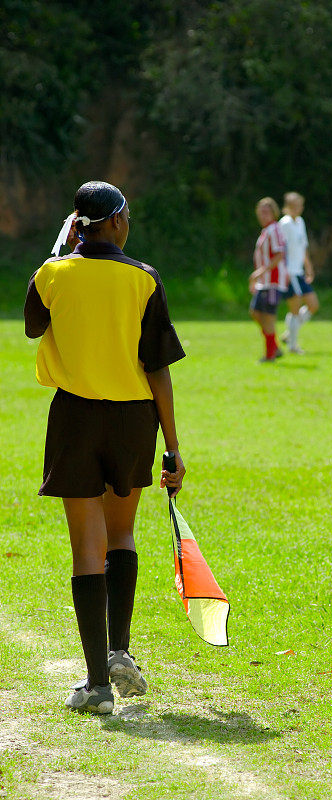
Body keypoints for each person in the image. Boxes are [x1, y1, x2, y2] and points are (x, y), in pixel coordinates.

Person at [24, 181, 186, 714]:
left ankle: (95, 685)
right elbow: (156, 368)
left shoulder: (51, 275)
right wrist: (174, 447)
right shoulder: (144, 279)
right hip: (134, 421)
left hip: (75, 418)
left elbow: (33, 324)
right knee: (122, 533)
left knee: (85, 549)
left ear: (77, 226)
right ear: (115, 223)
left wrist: (59, 252)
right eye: (128, 216)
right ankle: (120, 650)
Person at [279, 192, 319, 354]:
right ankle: (293, 346)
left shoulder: (300, 222)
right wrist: (284, 271)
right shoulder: (284, 224)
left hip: (299, 271)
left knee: (313, 305)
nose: (298, 209)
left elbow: (303, 248)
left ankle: (290, 333)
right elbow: (280, 250)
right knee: (295, 308)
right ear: (287, 207)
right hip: (289, 272)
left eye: (299, 205)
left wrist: (308, 267)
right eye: (294, 206)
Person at [249, 197, 288, 362]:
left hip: (272, 281)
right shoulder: (266, 230)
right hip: (264, 282)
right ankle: (275, 347)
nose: (263, 215)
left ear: (274, 212)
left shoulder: (275, 229)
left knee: (268, 316)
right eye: (261, 212)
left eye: (267, 212)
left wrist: (261, 272)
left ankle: (270, 354)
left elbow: (279, 254)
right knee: (256, 313)